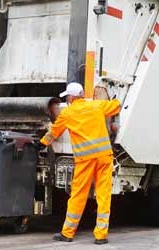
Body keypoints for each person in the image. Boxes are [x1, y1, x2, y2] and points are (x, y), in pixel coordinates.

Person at [37, 82, 121, 245]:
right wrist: (114, 97)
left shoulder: (67, 113)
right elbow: (116, 107)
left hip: (85, 161)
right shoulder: (97, 106)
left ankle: (67, 233)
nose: (67, 99)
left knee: (78, 195)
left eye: (68, 96)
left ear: (71, 97)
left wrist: (41, 143)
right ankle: (101, 236)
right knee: (103, 196)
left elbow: (54, 132)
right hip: (104, 157)